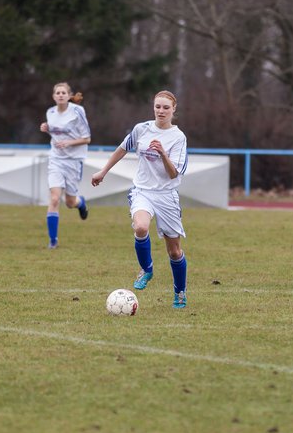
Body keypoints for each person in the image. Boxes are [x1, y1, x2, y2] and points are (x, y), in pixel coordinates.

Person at [91, 90, 190, 309]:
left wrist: (163, 153)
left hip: (166, 195)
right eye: (157, 106)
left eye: (166, 107)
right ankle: (147, 269)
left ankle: (180, 292)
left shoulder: (178, 137)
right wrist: (102, 172)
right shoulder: (141, 129)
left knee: (174, 251)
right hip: (142, 191)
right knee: (141, 227)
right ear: (153, 107)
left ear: (174, 109)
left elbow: (174, 174)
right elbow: (122, 149)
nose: (161, 111)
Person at [39, 82, 92, 248]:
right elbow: (57, 133)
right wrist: (47, 129)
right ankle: (53, 241)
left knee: (69, 202)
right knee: (54, 199)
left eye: (63, 92)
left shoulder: (78, 111)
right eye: (57, 93)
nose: (60, 95)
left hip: (74, 160)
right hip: (56, 159)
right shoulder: (50, 112)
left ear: (69, 96)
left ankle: (80, 203)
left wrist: (69, 143)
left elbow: (87, 138)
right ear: (54, 96)